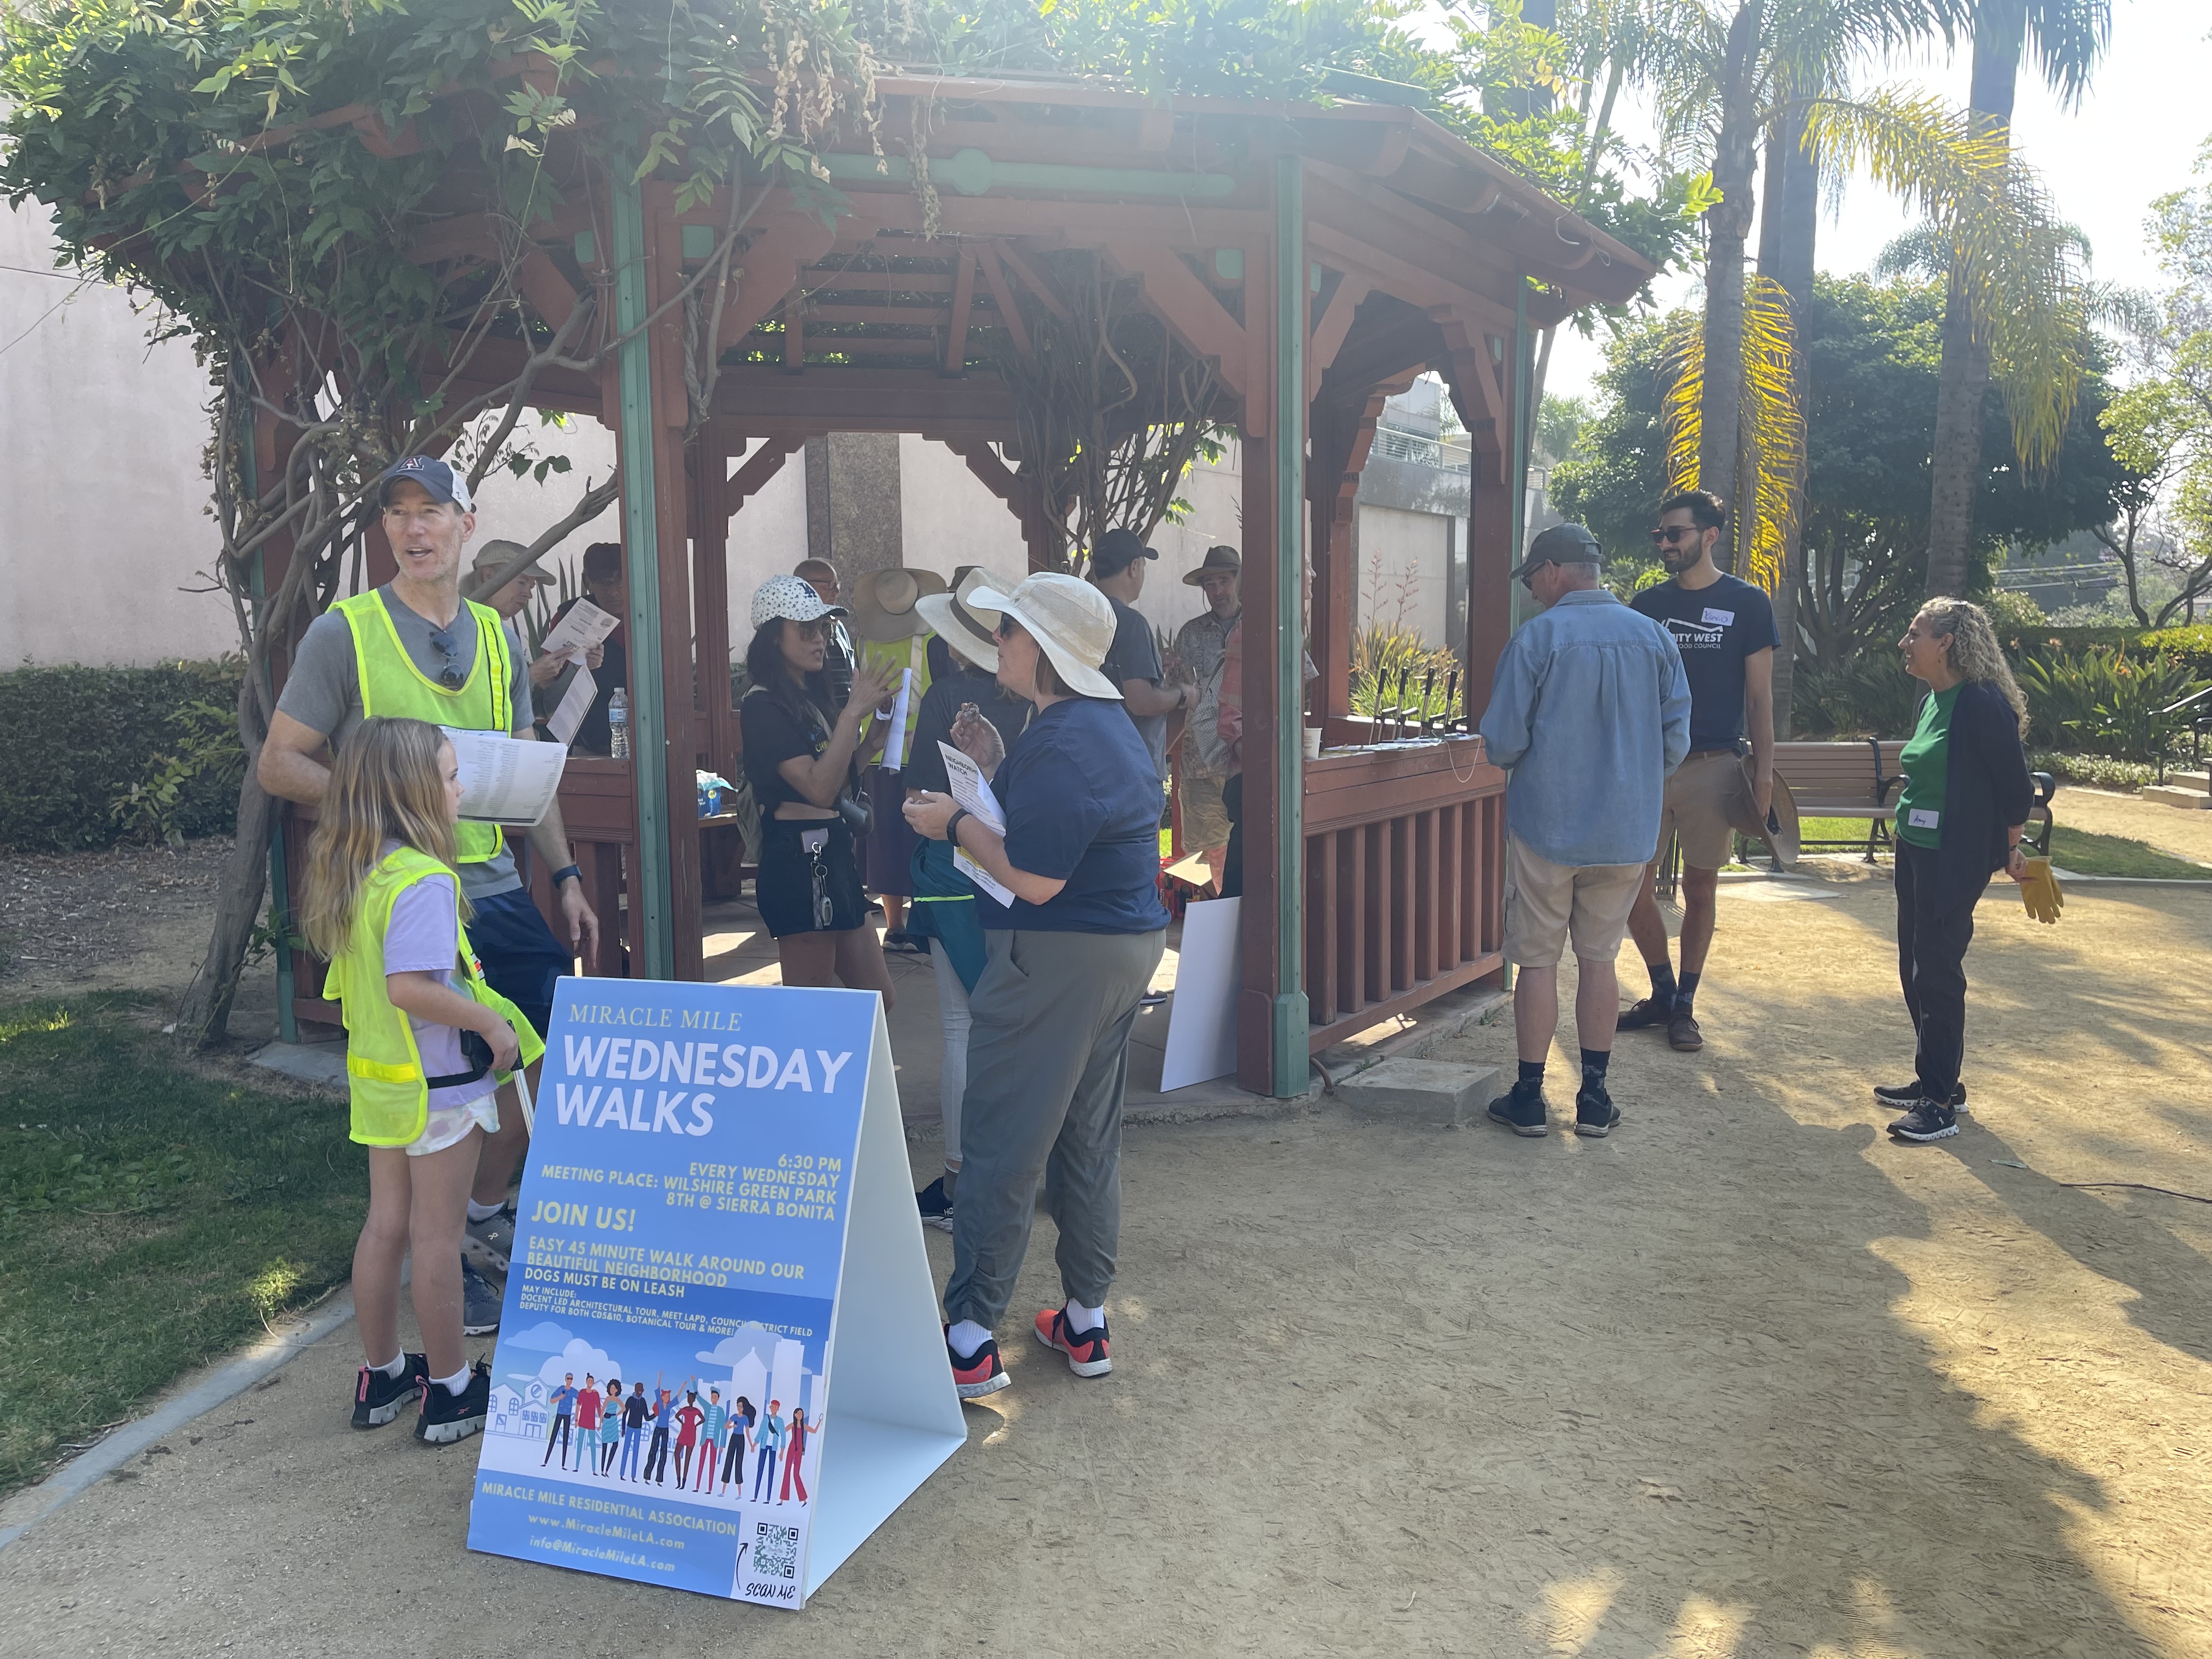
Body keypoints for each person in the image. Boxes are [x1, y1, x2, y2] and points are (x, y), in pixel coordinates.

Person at [261, 456, 599, 1337]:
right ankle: (442, 1251)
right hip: (403, 901)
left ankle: (475, 1222)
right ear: (386, 529)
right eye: (398, 514)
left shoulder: (497, 635)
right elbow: (280, 762)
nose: (414, 528)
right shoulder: (344, 633)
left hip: (493, 892)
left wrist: (564, 876)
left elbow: (527, 774)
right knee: (439, 1097)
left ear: (465, 523)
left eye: (431, 511)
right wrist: (385, 808)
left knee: (548, 1065)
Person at [902, 573, 1172, 1400]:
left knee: (1003, 1141)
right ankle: (1085, 1319)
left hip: (1059, 954)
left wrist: (953, 821)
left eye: (1010, 631)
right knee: (1086, 1137)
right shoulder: (1102, 726)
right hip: (1122, 948)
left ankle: (970, 1339)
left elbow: (1035, 877)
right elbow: (1064, 831)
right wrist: (995, 767)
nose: (999, 644)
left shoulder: (1062, 740)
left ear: (1045, 649)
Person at [303, 716, 541, 1444]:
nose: (460, 789)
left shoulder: (357, 872)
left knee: (386, 1228)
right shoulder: (424, 879)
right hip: (440, 1088)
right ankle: (452, 1391)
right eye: (449, 776)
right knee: (438, 1239)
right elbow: (411, 987)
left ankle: (382, 1376)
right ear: (411, 791)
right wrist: (492, 1024)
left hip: (383, 1086)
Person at [1477, 524, 1690, 1139]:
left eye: (1532, 578)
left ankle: (1529, 1096)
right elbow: (1676, 739)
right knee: (1600, 959)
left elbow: (1504, 741)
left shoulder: (1537, 638)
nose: (1531, 590)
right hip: (1625, 829)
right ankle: (1595, 1098)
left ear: (1552, 570)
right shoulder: (1654, 637)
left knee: (1537, 961)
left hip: (1547, 826)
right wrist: (1634, 779)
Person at [1620, 489, 1778, 1053]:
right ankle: (1663, 992)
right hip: (1648, 767)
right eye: (1660, 535)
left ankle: (1685, 1004)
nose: (1665, 543)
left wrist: (1763, 778)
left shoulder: (1748, 603)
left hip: (1715, 765)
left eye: (1676, 534)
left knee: (1701, 885)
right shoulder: (1646, 605)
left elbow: (1759, 699)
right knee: (1630, 882)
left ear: (1710, 535)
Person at [1879, 599, 2036, 1143]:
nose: (1905, 643)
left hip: (1954, 856)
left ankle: (1939, 1105)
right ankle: (1938, 1078)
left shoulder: (1982, 703)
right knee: (1914, 966)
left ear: (1945, 642)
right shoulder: (1933, 700)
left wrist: (2013, 849)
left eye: (1914, 633)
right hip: (1915, 849)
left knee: (1938, 971)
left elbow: (2016, 789)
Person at [906, 569, 1034, 1232]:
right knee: (1019, 1027)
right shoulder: (1039, 700)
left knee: (962, 1026)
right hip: (1024, 873)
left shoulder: (945, 695)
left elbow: (917, 796)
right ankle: (1017, 1170)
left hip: (954, 870)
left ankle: (959, 1178)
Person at [738, 575, 900, 1000]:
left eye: (824, 628)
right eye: (806, 629)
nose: (820, 640)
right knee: (810, 1006)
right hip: (799, 860)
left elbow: (835, 783)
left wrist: (871, 742)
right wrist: (852, 714)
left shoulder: (810, 698)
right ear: (774, 636)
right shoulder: (762, 705)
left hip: (833, 849)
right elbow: (818, 789)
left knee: (878, 999)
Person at [849, 568, 948, 949]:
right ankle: (925, 923)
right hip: (925, 754)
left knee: (886, 842)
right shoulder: (934, 640)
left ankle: (894, 926)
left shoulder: (862, 642)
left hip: (875, 753)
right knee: (924, 840)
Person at [1089, 527, 1198, 784]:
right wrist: (1185, 694)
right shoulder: (1131, 623)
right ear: (1135, 567)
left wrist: (1151, 661)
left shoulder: (1083, 616)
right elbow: (1141, 702)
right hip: (1132, 771)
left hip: (1093, 761)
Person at [1167, 545, 1242, 891]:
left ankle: (1242, 916)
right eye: (1209, 584)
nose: (1217, 591)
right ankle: (1214, 915)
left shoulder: (1266, 626)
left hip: (1246, 759)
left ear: (1239, 581)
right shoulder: (1190, 634)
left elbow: (1298, 681)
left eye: (1223, 581)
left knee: (1249, 848)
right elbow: (1173, 697)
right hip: (1200, 764)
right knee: (1203, 859)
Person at [543, 541, 630, 756]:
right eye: (605, 584)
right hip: (586, 740)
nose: (614, 592)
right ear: (587, 582)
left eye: (621, 583)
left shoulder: (650, 614)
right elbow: (547, 685)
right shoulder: (569, 617)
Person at [795, 558, 856, 708]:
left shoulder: (839, 627)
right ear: (804, 585)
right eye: (829, 585)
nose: (837, 592)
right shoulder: (795, 627)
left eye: (837, 585)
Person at [722, 1396, 757, 1496]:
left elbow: (747, 1433)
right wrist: (732, 1426)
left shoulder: (746, 1418)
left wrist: (752, 1445)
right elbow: (725, 1426)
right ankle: (723, 1491)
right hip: (734, 1438)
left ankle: (739, 1493)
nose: (739, 1408)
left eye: (741, 1406)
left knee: (739, 1463)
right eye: (738, 1406)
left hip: (741, 1439)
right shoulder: (734, 1416)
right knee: (729, 1461)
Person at [696, 1387, 727, 1494]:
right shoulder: (707, 1407)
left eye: (715, 1396)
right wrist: (694, 1383)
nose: (713, 1398)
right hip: (705, 1439)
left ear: (718, 1398)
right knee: (701, 1462)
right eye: (712, 1396)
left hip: (714, 1440)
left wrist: (722, 1444)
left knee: (712, 1464)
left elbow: (723, 1428)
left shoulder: (720, 1411)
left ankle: (710, 1489)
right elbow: (698, 1398)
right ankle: (697, 1487)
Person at [543, 1372, 578, 1468]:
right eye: (568, 1379)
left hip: (568, 1416)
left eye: (571, 1379)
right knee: (553, 1436)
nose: (570, 1380)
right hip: (560, 1414)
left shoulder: (573, 1391)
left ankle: (563, 1465)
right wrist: (560, 1397)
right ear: (565, 1379)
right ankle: (546, 1461)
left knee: (565, 1439)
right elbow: (552, 1400)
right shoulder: (561, 1389)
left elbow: (581, 1399)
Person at [753, 1400, 785, 1502]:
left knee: (771, 1471)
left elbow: (783, 1436)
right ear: (770, 1407)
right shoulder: (766, 1419)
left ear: (778, 1409)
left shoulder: (780, 1421)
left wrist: (782, 1451)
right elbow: (761, 1432)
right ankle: (755, 1496)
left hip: (773, 1448)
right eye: (772, 1406)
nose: (774, 1408)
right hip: (764, 1446)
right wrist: (755, 1444)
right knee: (760, 1469)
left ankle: (768, 1499)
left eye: (776, 1407)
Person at [673, 1388, 704, 1487]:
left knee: (680, 1455)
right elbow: (703, 1419)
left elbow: (677, 1416)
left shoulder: (686, 1410)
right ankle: (681, 1482)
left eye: (690, 1398)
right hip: (690, 1433)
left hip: (687, 1432)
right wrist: (695, 1425)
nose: (689, 1400)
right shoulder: (694, 1411)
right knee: (685, 1458)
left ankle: (681, 1482)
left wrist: (683, 1423)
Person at [619, 1381, 650, 1481]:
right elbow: (625, 1414)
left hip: (638, 1429)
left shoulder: (643, 1401)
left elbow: (647, 1417)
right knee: (626, 1450)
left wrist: (656, 1414)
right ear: (635, 1390)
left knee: (636, 1452)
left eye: (641, 1390)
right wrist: (623, 1428)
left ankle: (633, 1476)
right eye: (639, 1389)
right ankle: (622, 1474)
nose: (640, 1391)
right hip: (630, 1427)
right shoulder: (630, 1400)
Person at [644, 1385, 674, 1484]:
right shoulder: (660, 1405)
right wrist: (660, 1378)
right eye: (665, 1396)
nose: (667, 1397)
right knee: (653, 1450)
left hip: (665, 1430)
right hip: (658, 1429)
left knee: (663, 1453)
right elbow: (657, 1390)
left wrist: (683, 1386)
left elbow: (677, 1397)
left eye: (668, 1396)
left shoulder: (669, 1406)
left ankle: (659, 1479)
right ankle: (647, 1476)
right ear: (662, 1397)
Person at [780, 1406, 810, 1504]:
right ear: (795, 1415)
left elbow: (814, 1431)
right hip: (792, 1447)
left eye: (801, 1413)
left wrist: (820, 1422)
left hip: (799, 1450)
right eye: (798, 1413)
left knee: (796, 1473)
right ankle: (782, 1498)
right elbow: (784, 1430)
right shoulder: (793, 1425)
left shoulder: (804, 1426)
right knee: (787, 1470)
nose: (799, 1415)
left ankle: (804, 1499)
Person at [572, 1371, 600, 1468]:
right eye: (589, 1381)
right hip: (582, 1422)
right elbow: (578, 1406)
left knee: (593, 1446)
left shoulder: (596, 1394)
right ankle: (577, 1467)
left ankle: (594, 1469)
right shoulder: (582, 1392)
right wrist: (576, 1420)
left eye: (592, 1381)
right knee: (579, 1444)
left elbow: (599, 1408)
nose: (590, 1382)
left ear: (593, 1383)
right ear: (586, 1382)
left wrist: (601, 1420)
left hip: (591, 1423)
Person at [598, 1379, 623, 1474]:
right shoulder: (608, 1398)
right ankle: (602, 1469)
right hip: (607, 1421)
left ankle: (607, 1469)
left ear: (617, 1390)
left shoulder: (617, 1400)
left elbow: (624, 1408)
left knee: (615, 1444)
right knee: (605, 1445)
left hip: (613, 1422)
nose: (612, 1389)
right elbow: (602, 1410)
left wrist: (617, 1414)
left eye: (614, 1388)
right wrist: (600, 1424)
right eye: (611, 1388)